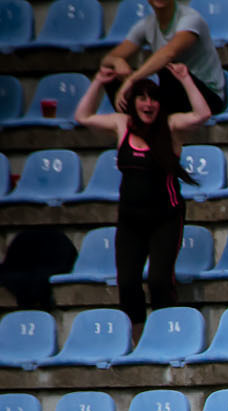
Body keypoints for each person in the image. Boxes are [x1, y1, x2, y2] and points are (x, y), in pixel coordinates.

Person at [73, 63, 210, 324]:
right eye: (142, 98)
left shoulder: (170, 126)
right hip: (130, 220)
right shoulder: (121, 124)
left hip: (165, 217)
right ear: (133, 102)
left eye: (153, 99)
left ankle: (165, 333)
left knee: (159, 280)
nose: (149, 104)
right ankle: (136, 342)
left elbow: (202, 114)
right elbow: (82, 116)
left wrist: (185, 78)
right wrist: (99, 82)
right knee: (127, 283)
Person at [99, 0, 227, 116]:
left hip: (207, 98)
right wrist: (117, 61)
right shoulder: (146, 24)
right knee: (111, 74)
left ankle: (152, 123)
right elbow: (107, 59)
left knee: (167, 70)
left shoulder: (191, 19)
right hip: (175, 94)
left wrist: (132, 79)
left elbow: (169, 53)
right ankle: (135, 125)